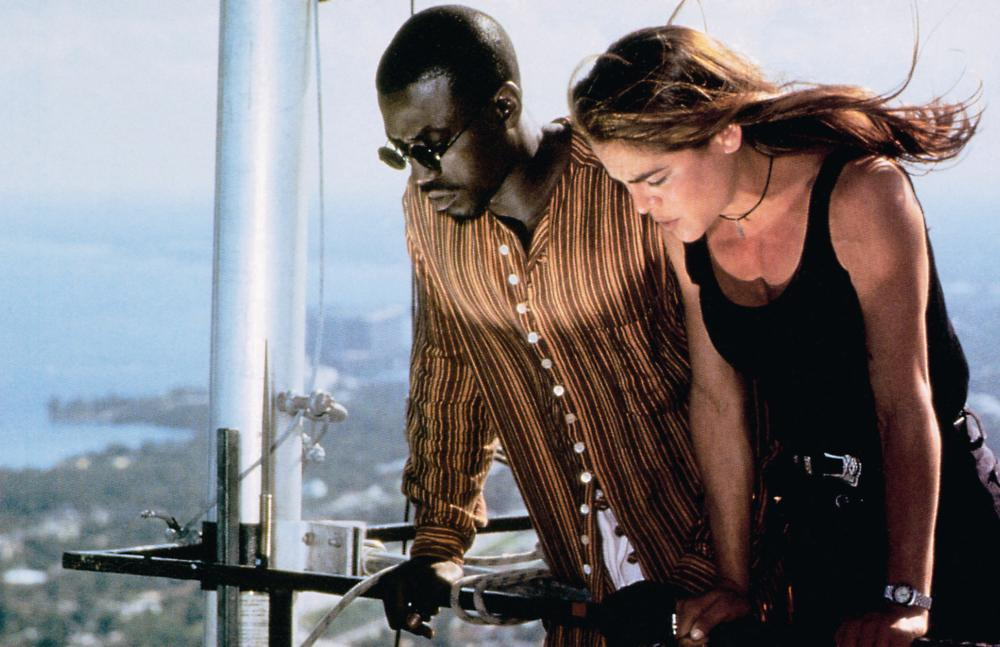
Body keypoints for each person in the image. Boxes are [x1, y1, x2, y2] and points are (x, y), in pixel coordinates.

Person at [572, 24, 1000, 647]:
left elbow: (906, 404)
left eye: (654, 178)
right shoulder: (685, 231)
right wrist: (733, 583)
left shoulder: (860, 193)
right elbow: (718, 403)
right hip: (821, 531)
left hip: (940, 529)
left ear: (725, 134)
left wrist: (907, 598)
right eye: (626, 183)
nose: (640, 205)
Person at [372, 6, 732, 646]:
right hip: (589, 606)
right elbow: (447, 372)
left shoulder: (628, 183)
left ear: (504, 106)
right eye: (402, 154)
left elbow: (743, 384)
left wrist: (702, 573)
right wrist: (438, 542)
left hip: (721, 595)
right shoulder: (429, 216)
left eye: (432, 145)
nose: (422, 176)